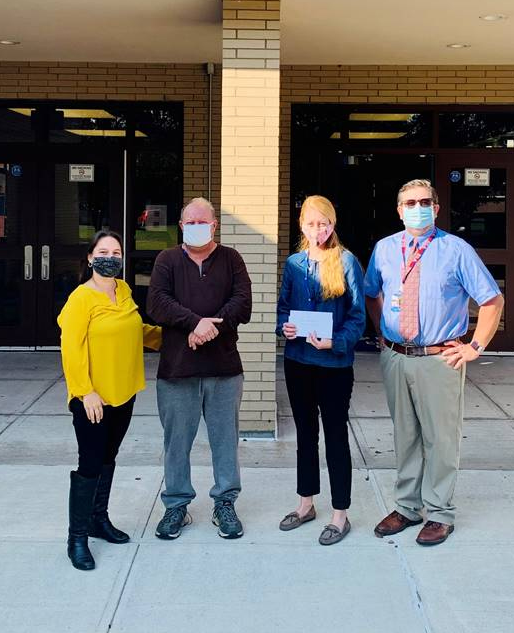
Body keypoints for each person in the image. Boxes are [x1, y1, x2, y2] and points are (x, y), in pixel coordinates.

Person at [364, 179, 504, 547]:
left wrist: (474, 346)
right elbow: (372, 294)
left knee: (440, 438)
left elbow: (492, 301)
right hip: (396, 357)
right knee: (405, 435)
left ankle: (439, 513)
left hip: (439, 358)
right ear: (399, 210)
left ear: (437, 208)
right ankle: (407, 507)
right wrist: (383, 332)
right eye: (409, 202)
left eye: (424, 202)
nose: (417, 207)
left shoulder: (456, 250)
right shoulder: (385, 249)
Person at [147, 197, 252, 540]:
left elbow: (242, 303)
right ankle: (177, 505)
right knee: (176, 442)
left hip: (224, 370)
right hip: (177, 372)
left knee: (225, 442)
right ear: (181, 226)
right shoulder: (167, 260)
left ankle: (225, 502)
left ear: (214, 224)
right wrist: (195, 323)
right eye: (189, 222)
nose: (196, 227)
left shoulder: (231, 259)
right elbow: (157, 303)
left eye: (202, 221)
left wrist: (210, 329)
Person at [58, 230, 162, 570]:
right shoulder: (80, 299)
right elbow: (71, 349)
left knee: (108, 457)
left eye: (116, 252)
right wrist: (85, 391)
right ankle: (77, 537)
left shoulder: (124, 290)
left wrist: (172, 337)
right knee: (89, 464)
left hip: (124, 391)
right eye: (103, 251)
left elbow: (135, 329)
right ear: (90, 257)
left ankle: (98, 520)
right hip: (93, 398)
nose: (111, 257)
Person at [276, 195, 365, 545]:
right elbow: (283, 308)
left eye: (324, 223)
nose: (319, 230)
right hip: (297, 363)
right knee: (305, 437)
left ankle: (340, 514)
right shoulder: (294, 263)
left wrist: (336, 342)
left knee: (336, 438)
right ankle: (305, 504)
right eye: (312, 224)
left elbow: (358, 316)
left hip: (334, 366)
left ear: (333, 224)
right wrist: (284, 327)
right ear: (302, 225)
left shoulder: (346, 261)